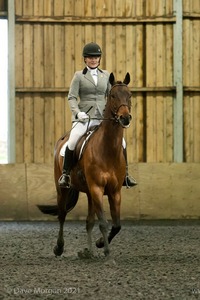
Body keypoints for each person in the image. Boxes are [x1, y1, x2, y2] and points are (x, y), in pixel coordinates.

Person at [58, 42, 137, 188]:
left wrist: (117, 113)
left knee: (123, 143)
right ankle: (66, 174)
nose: (93, 60)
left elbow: (111, 95)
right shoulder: (78, 76)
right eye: (90, 57)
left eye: (96, 57)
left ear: (99, 59)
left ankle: (125, 175)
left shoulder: (106, 75)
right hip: (84, 117)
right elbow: (72, 97)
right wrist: (78, 113)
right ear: (85, 59)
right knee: (73, 140)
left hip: (102, 118)